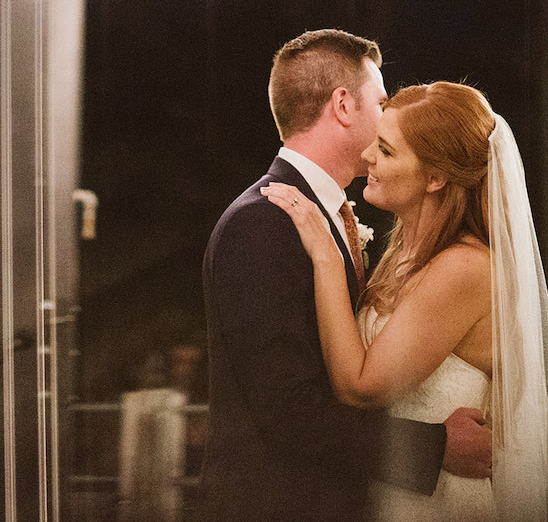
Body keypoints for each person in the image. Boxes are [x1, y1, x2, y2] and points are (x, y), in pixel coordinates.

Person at [201, 31, 492, 522]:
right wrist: (436, 446)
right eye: (380, 102)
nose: (388, 118)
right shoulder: (265, 221)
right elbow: (289, 410)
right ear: (342, 105)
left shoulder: (329, 218)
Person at [262, 81, 548, 522]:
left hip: (443, 503)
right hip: (394, 493)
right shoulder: (403, 255)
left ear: (435, 177)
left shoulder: (463, 268)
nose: (368, 156)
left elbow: (360, 387)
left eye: (387, 151)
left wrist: (326, 258)